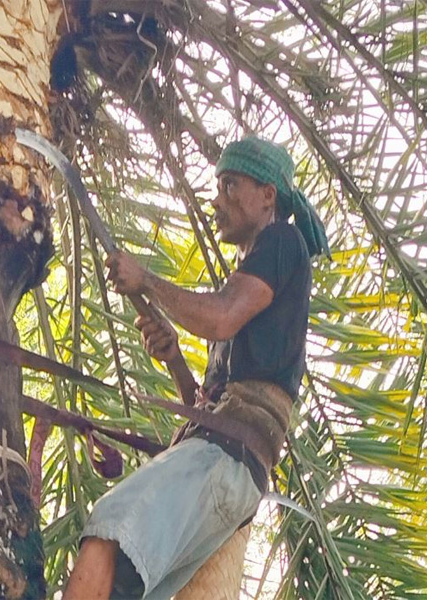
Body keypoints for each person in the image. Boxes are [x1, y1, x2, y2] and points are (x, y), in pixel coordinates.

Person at [63, 137, 329, 600]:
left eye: (230, 186)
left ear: (269, 195)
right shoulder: (251, 280)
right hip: (223, 460)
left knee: (108, 532)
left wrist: (146, 278)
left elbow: (221, 318)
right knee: (124, 584)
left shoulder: (283, 243)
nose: (217, 201)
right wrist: (175, 360)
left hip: (225, 458)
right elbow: (203, 406)